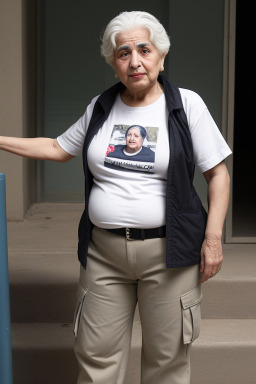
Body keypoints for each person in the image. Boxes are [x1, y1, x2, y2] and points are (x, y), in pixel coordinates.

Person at [0, 10, 232, 384]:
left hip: (169, 254)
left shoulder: (186, 106)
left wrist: (213, 238)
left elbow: (218, 175)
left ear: (161, 55)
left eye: (144, 49)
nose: (135, 61)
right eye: (123, 53)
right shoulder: (101, 107)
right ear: (114, 64)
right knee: (95, 361)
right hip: (103, 254)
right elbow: (58, 147)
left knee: (167, 363)